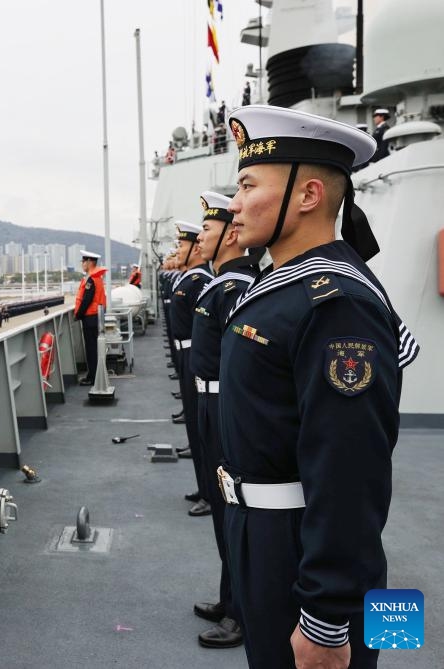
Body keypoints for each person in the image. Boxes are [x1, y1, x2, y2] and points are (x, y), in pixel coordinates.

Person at [219, 104, 419, 669]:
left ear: (307, 196)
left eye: (248, 184)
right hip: (268, 534)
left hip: (303, 550)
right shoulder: (285, 287)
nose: (235, 203)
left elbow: (351, 468)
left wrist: (327, 620)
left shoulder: (336, 304)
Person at [188, 191, 259, 650]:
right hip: (208, 402)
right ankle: (228, 597)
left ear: (230, 235)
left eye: (207, 232)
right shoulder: (222, 283)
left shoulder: (235, 287)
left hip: (224, 404)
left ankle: (239, 612)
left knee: (232, 512)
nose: (200, 240)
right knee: (222, 512)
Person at [167, 221, 213, 514]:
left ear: (196, 248)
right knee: (195, 427)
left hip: (195, 355)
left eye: (182, 245)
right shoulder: (191, 279)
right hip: (186, 355)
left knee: (202, 429)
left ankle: (210, 493)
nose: (179, 250)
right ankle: (203, 486)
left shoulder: (200, 281)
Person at [73, 250, 107, 386]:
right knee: (93, 348)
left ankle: (92, 377)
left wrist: (78, 315)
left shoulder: (91, 279)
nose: (82, 264)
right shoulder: (96, 277)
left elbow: (86, 299)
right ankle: (93, 375)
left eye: (83, 262)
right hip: (95, 317)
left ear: (89, 262)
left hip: (90, 318)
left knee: (91, 349)